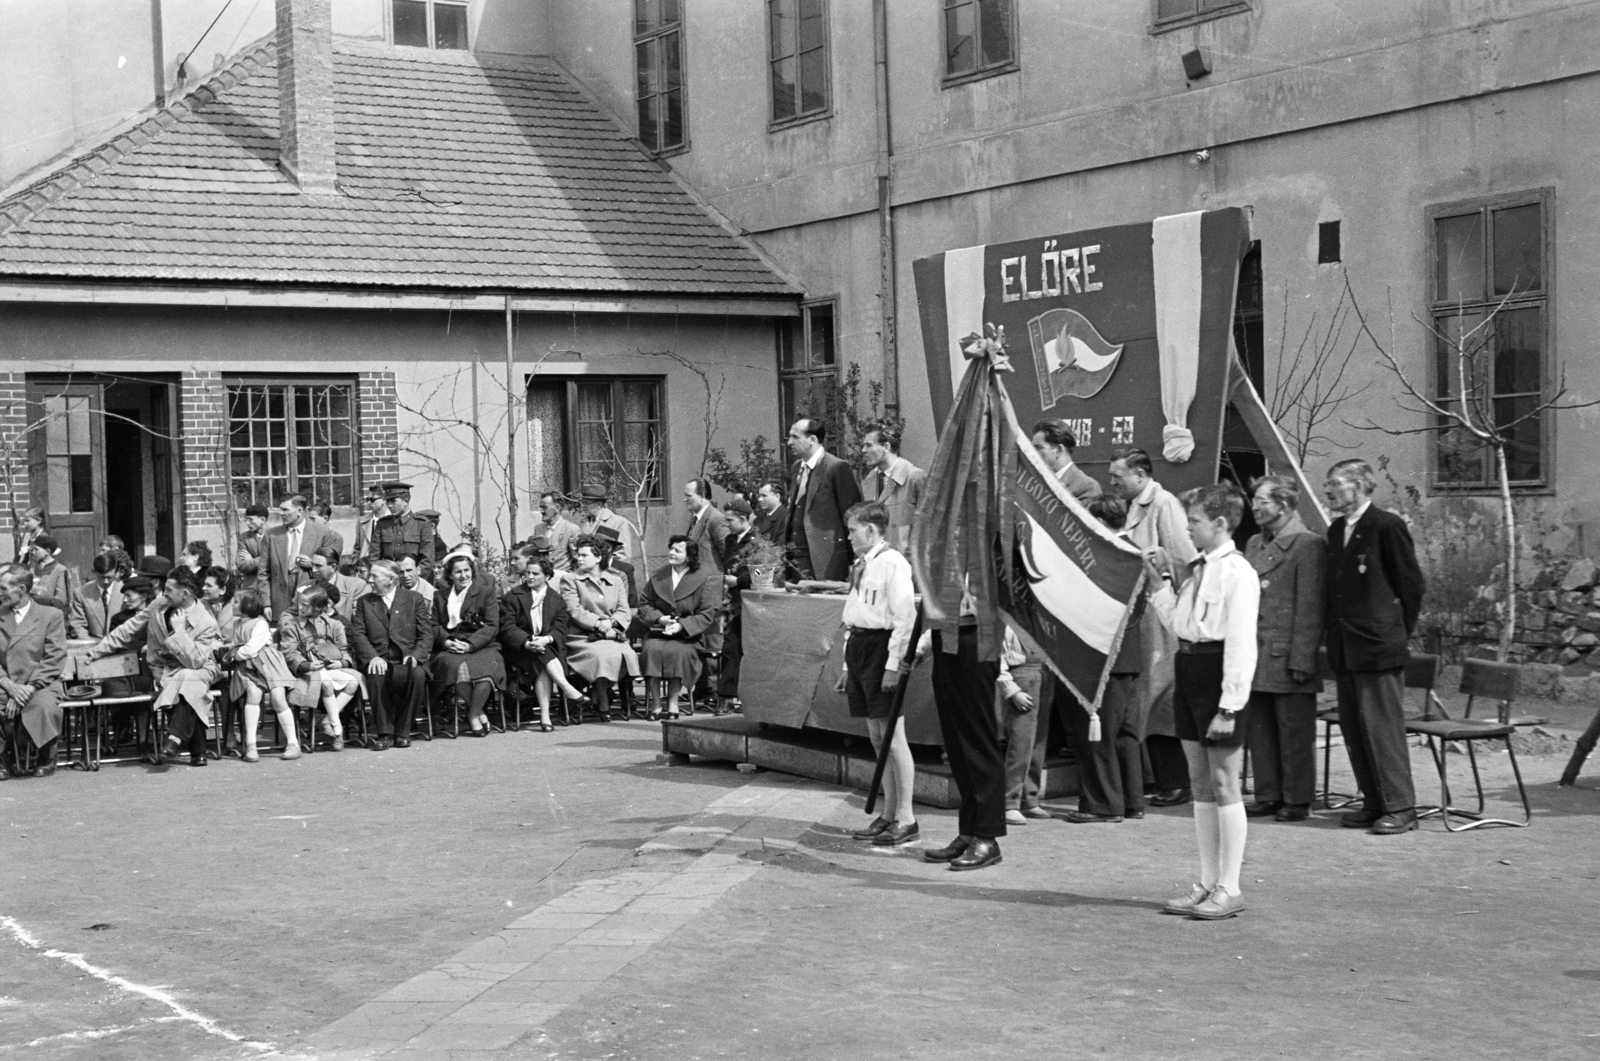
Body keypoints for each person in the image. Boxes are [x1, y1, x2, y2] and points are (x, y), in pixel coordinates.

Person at [1145, 483, 1260, 921]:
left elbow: (1242, 645)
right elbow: (1179, 622)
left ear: (1220, 523)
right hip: (1189, 672)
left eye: (1194, 521)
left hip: (1219, 679)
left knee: (1225, 782)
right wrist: (1160, 584)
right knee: (1200, 782)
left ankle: (1230, 887)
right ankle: (1208, 881)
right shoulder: (1196, 569)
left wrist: (1230, 706)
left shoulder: (1238, 572)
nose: (1187, 528)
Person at [1324, 458, 1425, 835]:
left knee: (1382, 728)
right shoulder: (1336, 530)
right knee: (1355, 727)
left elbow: (1411, 585)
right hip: (1346, 646)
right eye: (1327, 485)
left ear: (1362, 485)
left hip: (1378, 646)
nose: (1329, 491)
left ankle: (1401, 807)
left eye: (1335, 483)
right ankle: (1373, 801)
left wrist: (1396, 633)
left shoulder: (1386, 525)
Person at [1109, 446, 1198, 807]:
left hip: (1163, 616)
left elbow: (1183, 560)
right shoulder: (1134, 505)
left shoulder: (1164, 505)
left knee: (1161, 699)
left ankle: (1175, 781)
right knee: (1148, 699)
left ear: (1141, 476)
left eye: (1118, 475)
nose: (1112, 481)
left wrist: (1174, 608)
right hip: (1143, 617)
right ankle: (1159, 778)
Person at [835, 501, 920, 847]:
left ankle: (906, 817)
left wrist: (891, 666)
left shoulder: (893, 563)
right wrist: (845, 665)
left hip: (882, 649)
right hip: (860, 647)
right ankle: (888, 813)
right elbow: (853, 614)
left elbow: (905, 618)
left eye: (853, 530)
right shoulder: (862, 563)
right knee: (874, 733)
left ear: (871, 529)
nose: (849, 536)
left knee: (893, 736)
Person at [1243, 476, 1326, 823]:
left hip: (1286, 653)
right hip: (1255, 653)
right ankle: (1269, 793)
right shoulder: (1252, 543)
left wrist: (1303, 657)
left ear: (1285, 504)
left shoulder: (1308, 545)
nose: (1255, 507)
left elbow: (1311, 607)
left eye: (1263, 501)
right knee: (1260, 728)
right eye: (1254, 500)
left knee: (1294, 731)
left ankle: (1297, 798)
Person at [1062, 494, 1147, 824]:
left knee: (1096, 734)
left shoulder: (1115, 556)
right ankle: (1131, 801)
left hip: (1103, 657)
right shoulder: (1135, 553)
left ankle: (1103, 805)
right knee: (1123, 734)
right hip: (1127, 658)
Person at [93, 568, 225, 768]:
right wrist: (96, 651)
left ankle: (175, 740)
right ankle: (196, 752)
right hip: (168, 671)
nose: (163, 593)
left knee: (187, 676)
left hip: (202, 668)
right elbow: (129, 629)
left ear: (185, 594)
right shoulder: (159, 606)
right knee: (188, 686)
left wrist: (180, 632)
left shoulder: (206, 622)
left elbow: (196, 661)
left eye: (169, 590)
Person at [917, 577, 1006, 871]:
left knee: (978, 745)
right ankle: (969, 831)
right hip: (946, 636)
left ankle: (987, 837)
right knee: (956, 746)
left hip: (978, 637)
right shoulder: (944, 550)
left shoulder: (985, 543)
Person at [500, 545, 589, 732]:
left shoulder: (556, 599)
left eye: (536, 574)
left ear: (547, 577)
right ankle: (564, 689)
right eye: (529, 573)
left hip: (547, 647)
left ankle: (545, 716)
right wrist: (527, 642)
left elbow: (560, 628)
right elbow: (507, 627)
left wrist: (546, 639)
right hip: (519, 650)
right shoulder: (513, 596)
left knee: (542, 657)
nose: (530, 577)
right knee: (540, 656)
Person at [349, 559, 432, 750]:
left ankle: (403, 732)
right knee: (376, 674)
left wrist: (416, 656)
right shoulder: (364, 602)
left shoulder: (414, 599)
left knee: (417, 675)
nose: (369, 580)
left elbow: (426, 634)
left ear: (391, 579)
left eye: (374, 576)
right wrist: (372, 657)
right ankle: (385, 733)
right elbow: (358, 634)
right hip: (379, 657)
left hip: (406, 657)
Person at [638, 535, 722, 721]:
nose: (671, 552)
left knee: (677, 653)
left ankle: (674, 703)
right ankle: (656, 703)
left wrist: (682, 625)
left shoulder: (702, 579)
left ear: (690, 556)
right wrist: (660, 619)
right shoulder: (659, 575)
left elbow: (706, 614)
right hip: (658, 632)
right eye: (671, 548)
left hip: (687, 636)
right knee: (651, 650)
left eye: (677, 550)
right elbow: (644, 604)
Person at [0, 564, 67, 778]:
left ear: (21, 589)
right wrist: (9, 686)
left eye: (3, 588)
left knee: (44, 706)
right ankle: (2, 759)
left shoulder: (50, 616)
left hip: (39, 683)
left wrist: (28, 689)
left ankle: (47, 756)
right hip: (4, 683)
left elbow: (54, 657)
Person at [561, 535, 638, 719]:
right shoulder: (570, 579)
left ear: (598, 558)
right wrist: (599, 624)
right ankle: (603, 697)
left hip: (612, 634)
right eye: (578, 555)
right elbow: (575, 610)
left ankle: (599, 691)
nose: (579, 558)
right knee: (602, 655)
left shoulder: (616, 579)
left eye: (584, 555)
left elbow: (624, 610)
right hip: (583, 637)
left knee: (627, 654)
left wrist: (610, 623)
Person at [430, 553, 505, 737]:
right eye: (458, 572)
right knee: (455, 668)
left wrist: (471, 645)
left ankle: (473, 714)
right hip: (451, 646)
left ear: (472, 571)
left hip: (482, 645)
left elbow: (492, 625)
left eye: (466, 570)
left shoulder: (486, 592)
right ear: (450, 575)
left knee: (486, 672)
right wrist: (446, 641)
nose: (463, 575)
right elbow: (432, 625)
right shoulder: (440, 596)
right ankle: (479, 713)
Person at [281, 585, 363, 751]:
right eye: (300, 603)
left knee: (353, 682)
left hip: (329, 669)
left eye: (305, 604)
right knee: (325, 682)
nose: (300, 607)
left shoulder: (334, 625)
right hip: (305, 674)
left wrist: (341, 663)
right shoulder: (292, 625)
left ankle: (327, 720)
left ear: (318, 608)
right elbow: (289, 653)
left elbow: (345, 650)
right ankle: (337, 730)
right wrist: (307, 665)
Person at [226, 588, 302, 762]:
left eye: (236, 601)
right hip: (249, 666)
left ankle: (293, 743)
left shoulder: (260, 623)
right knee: (253, 693)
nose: (233, 604)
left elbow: (252, 648)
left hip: (269, 663)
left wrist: (236, 654)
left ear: (248, 605)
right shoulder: (237, 624)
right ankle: (251, 745)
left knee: (278, 697)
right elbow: (235, 643)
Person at [784, 418, 862, 582]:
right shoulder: (797, 468)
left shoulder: (837, 467)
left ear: (812, 440)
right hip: (795, 560)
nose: (789, 442)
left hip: (824, 562)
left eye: (795, 437)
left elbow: (853, 516)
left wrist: (854, 563)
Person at [996, 628, 1050, 826]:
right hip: (1020, 674)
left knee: (1038, 741)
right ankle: (1010, 801)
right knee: (1021, 741)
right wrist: (1010, 689)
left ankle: (1030, 797)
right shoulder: (1004, 615)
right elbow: (996, 654)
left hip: (1043, 671)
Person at [262, 494, 335, 619]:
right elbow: (263, 572)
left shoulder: (322, 532)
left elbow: (329, 570)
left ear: (300, 511)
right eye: (280, 509)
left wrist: (312, 564)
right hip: (279, 600)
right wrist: (266, 604)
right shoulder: (272, 535)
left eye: (285, 510)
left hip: (309, 597)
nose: (281, 513)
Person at [860, 424, 926, 550]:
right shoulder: (871, 479)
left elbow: (929, 528)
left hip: (906, 563)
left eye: (869, 445)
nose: (863, 450)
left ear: (886, 447)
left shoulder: (915, 477)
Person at [718, 498, 757, 713]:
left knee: (745, 648)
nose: (727, 524)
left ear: (743, 519)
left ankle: (743, 696)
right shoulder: (731, 540)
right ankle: (727, 696)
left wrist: (740, 581)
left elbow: (765, 570)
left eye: (730, 520)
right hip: (732, 602)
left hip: (749, 602)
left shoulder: (758, 541)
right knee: (730, 648)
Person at [1031, 420, 1100, 503]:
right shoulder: (1034, 484)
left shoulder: (1088, 487)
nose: (1032, 454)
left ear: (1059, 450)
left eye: (1038, 448)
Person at [368, 482, 436, 566]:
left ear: (406, 501)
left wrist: (413, 575)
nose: (389, 505)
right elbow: (374, 557)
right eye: (387, 501)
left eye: (393, 501)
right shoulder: (382, 524)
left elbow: (427, 559)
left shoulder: (422, 524)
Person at [578, 484, 640, 566]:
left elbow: (623, 556)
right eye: (583, 503)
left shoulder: (619, 522)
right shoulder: (582, 521)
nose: (583, 506)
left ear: (599, 505)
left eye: (587, 503)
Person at [69, 552, 124, 639]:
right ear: (94, 572)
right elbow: (78, 624)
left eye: (110, 577)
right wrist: (89, 645)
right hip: (91, 645)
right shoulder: (80, 593)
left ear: (117, 572)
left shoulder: (125, 592)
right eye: (101, 577)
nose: (106, 582)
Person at [683, 478, 730, 575]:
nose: (685, 499)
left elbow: (727, 555)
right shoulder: (695, 518)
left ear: (702, 496)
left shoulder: (716, 519)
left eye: (689, 496)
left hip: (711, 583)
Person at [310, 546, 367, 622]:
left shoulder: (356, 586)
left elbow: (359, 623)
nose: (313, 570)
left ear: (333, 567)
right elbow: (292, 614)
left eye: (318, 566)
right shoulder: (306, 586)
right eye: (312, 565)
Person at [29, 534, 78, 616]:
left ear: (47, 552)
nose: (33, 552)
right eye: (32, 549)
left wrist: (38, 593)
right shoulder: (32, 570)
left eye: (36, 549)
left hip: (50, 614)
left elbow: (60, 600)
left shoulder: (60, 570)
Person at [534, 492, 581, 572]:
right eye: (540, 507)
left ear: (557, 508)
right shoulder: (538, 528)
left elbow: (579, 560)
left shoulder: (571, 529)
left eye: (544, 507)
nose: (541, 511)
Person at [237, 503, 269, 586]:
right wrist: (266, 559)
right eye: (246, 519)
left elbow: (277, 562)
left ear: (262, 520)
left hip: (271, 584)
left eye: (251, 519)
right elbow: (241, 565)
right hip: (251, 585)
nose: (247, 523)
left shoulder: (275, 536)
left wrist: (251, 561)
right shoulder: (244, 537)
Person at [352, 487, 386, 563]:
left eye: (372, 499)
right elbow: (357, 549)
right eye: (367, 499)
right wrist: (355, 565)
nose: (368, 502)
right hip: (366, 568)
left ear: (383, 500)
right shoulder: (362, 521)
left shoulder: (392, 521)